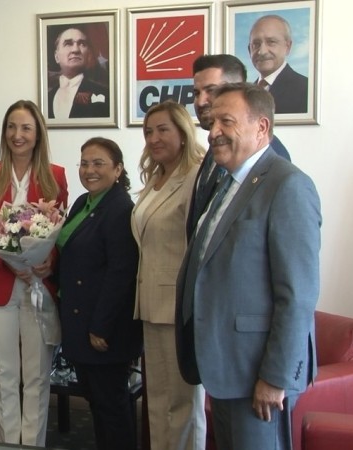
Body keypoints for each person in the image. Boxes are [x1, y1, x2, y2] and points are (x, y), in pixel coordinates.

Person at [176, 82, 321, 450]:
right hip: (224, 368)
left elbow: (297, 296)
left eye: (227, 121)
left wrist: (275, 377)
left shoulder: (288, 186)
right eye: (212, 122)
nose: (214, 132)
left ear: (261, 127)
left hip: (257, 375)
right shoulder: (228, 184)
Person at [0, 99, 68, 447]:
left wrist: (49, 261)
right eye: (11, 127)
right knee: (5, 375)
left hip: (39, 286)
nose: (17, 134)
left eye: (26, 127)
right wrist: (9, 263)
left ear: (38, 133)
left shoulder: (55, 176)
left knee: (37, 376)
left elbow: (61, 232)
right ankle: (9, 445)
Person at [54, 137, 141, 450]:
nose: (89, 170)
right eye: (84, 163)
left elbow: (121, 274)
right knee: (98, 404)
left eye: (98, 163)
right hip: (80, 322)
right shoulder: (83, 202)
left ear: (117, 169)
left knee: (112, 408)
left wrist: (100, 327)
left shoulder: (120, 209)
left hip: (103, 330)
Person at [131, 101, 206, 450]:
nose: (154, 138)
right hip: (150, 303)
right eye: (149, 131)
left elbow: (200, 246)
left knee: (183, 403)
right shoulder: (155, 179)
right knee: (158, 401)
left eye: (163, 130)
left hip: (178, 306)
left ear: (183, 132)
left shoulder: (196, 176)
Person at [187, 53, 291, 240]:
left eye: (211, 90)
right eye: (196, 93)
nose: (201, 101)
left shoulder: (273, 157)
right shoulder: (216, 148)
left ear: (237, 89)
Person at [249, 15, 309, 114]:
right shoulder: (245, 94)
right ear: (249, 49)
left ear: (288, 47)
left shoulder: (306, 90)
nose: (262, 51)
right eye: (256, 44)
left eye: (271, 42)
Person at [47, 26, 109, 119]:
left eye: (82, 44)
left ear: (88, 55)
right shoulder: (47, 98)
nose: (75, 50)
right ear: (57, 57)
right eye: (68, 44)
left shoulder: (105, 94)